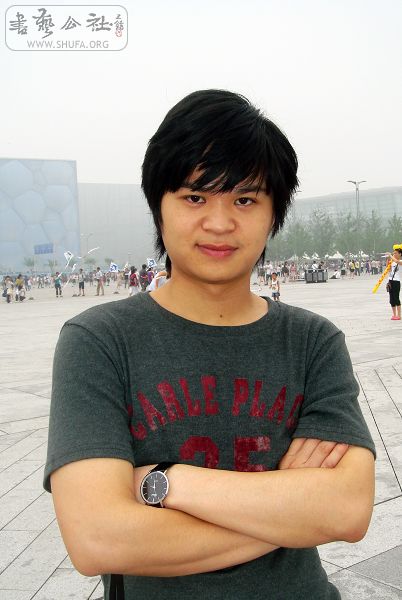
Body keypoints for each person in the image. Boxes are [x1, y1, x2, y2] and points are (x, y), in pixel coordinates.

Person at [45, 89, 375, 600]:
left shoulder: (313, 342)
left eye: (245, 200)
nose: (219, 223)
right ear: (158, 208)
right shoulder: (99, 342)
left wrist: (166, 482)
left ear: (273, 215)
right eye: (195, 197)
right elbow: (98, 538)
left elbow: (348, 510)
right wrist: (293, 514)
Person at [386, 245, 402, 320]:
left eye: (395, 253)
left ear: (400, 254)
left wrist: (390, 255)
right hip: (390, 281)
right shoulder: (393, 262)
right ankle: (394, 314)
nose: (394, 254)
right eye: (393, 253)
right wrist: (388, 259)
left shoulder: (400, 261)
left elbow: (397, 261)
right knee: (391, 299)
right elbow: (388, 269)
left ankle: (399, 315)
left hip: (396, 281)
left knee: (396, 298)